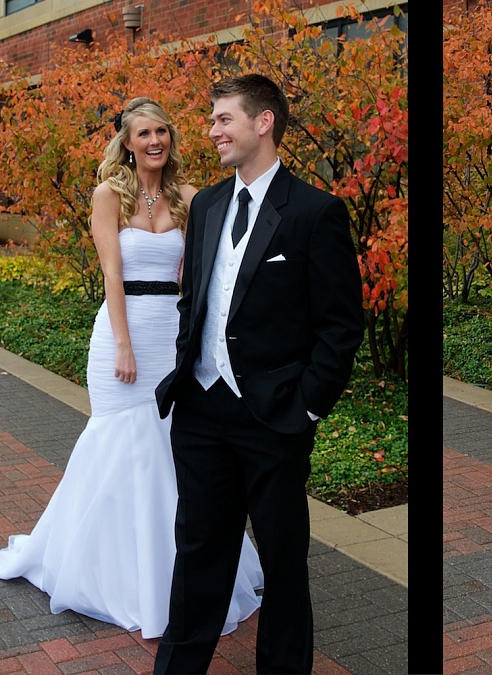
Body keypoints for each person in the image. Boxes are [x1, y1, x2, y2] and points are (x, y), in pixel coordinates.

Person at [0, 97, 265, 639]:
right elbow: (113, 273)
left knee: (169, 450)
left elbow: (199, 279)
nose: (154, 141)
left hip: (173, 334)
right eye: (143, 134)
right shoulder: (108, 195)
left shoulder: (191, 198)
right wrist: (123, 345)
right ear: (127, 143)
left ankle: (178, 570)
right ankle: (109, 571)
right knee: (119, 445)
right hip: (121, 331)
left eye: (162, 131)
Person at [152, 74, 364, 674]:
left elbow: (341, 326)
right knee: (197, 558)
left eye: (223, 119)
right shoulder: (209, 204)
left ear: (263, 122)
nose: (212, 130)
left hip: (273, 418)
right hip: (199, 411)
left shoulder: (315, 212)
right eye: (213, 119)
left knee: (282, 564)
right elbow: (195, 297)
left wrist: (306, 408)